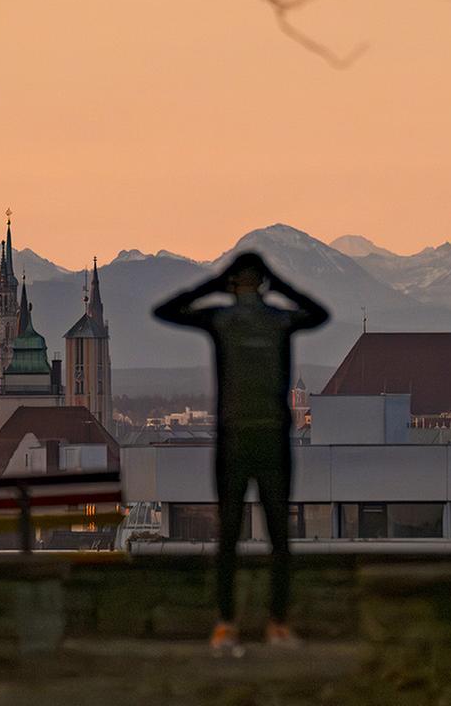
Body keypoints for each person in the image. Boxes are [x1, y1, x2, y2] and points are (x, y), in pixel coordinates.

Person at [153, 251, 328, 654]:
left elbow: (167, 310)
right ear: (263, 283)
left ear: (233, 283)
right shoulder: (279, 321)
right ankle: (278, 624)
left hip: (233, 437)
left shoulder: (222, 319)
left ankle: (227, 624)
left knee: (228, 537)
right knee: (279, 538)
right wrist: (280, 286)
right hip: (272, 437)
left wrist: (214, 285)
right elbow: (319, 314)